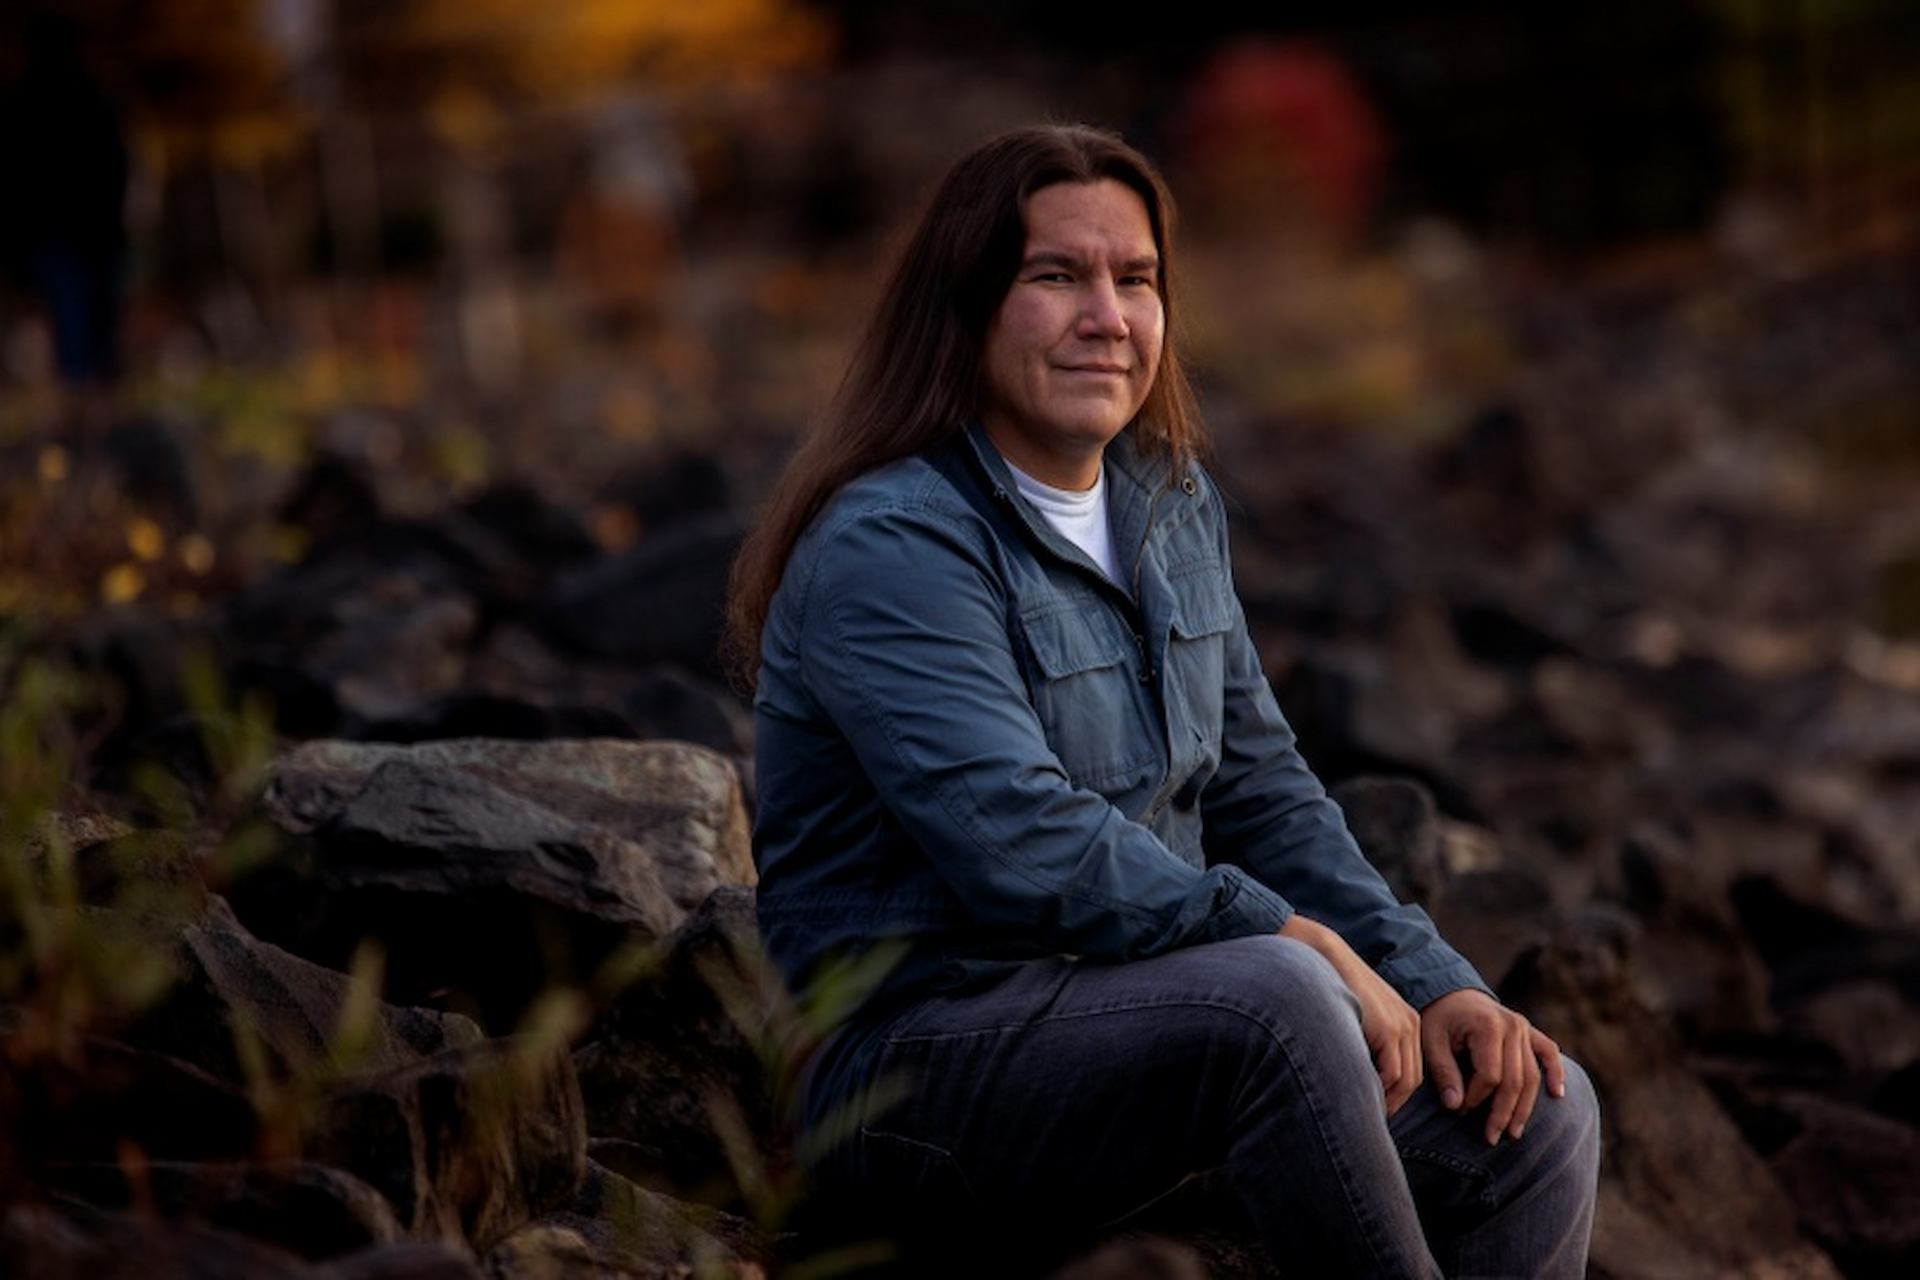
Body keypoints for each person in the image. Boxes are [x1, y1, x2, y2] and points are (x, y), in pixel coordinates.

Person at [727, 124, 1600, 1277]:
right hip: (913, 1068)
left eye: (1135, 279)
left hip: (1154, 1024)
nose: (1107, 315)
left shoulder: (1169, 505)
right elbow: (1018, 836)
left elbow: (1264, 792)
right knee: (1279, 1000)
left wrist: (1435, 979)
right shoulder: (894, 544)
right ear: (967, 303)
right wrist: (1292, 941)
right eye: (1055, 277)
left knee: (1536, 1104)